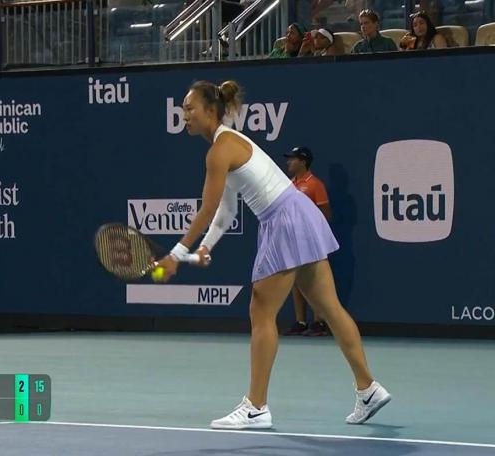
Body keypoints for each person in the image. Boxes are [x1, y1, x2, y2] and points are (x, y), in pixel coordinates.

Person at [156, 80, 391, 429]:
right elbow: (226, 210)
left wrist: (176, 254)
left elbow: (206, 209)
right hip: (299, 213)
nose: (184, 115)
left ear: (210, 110)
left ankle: (256, 407)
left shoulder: (220, 149)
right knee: (330, 308)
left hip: (283, 219)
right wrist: (206, 246)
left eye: (190, 108)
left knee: (261, 311)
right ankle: (368, 388)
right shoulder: (228, 143)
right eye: (182, 109)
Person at [282, 146, 332, 337]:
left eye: (293, 159)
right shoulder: (288, 185)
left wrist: (314, 233)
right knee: (296, 280)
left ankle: (319, 321)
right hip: (292, 240)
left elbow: (325, 213)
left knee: (314, 281)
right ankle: (301, 321)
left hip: (311, 241)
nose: (289, 162)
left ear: (303, 161)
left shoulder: (315, 184)